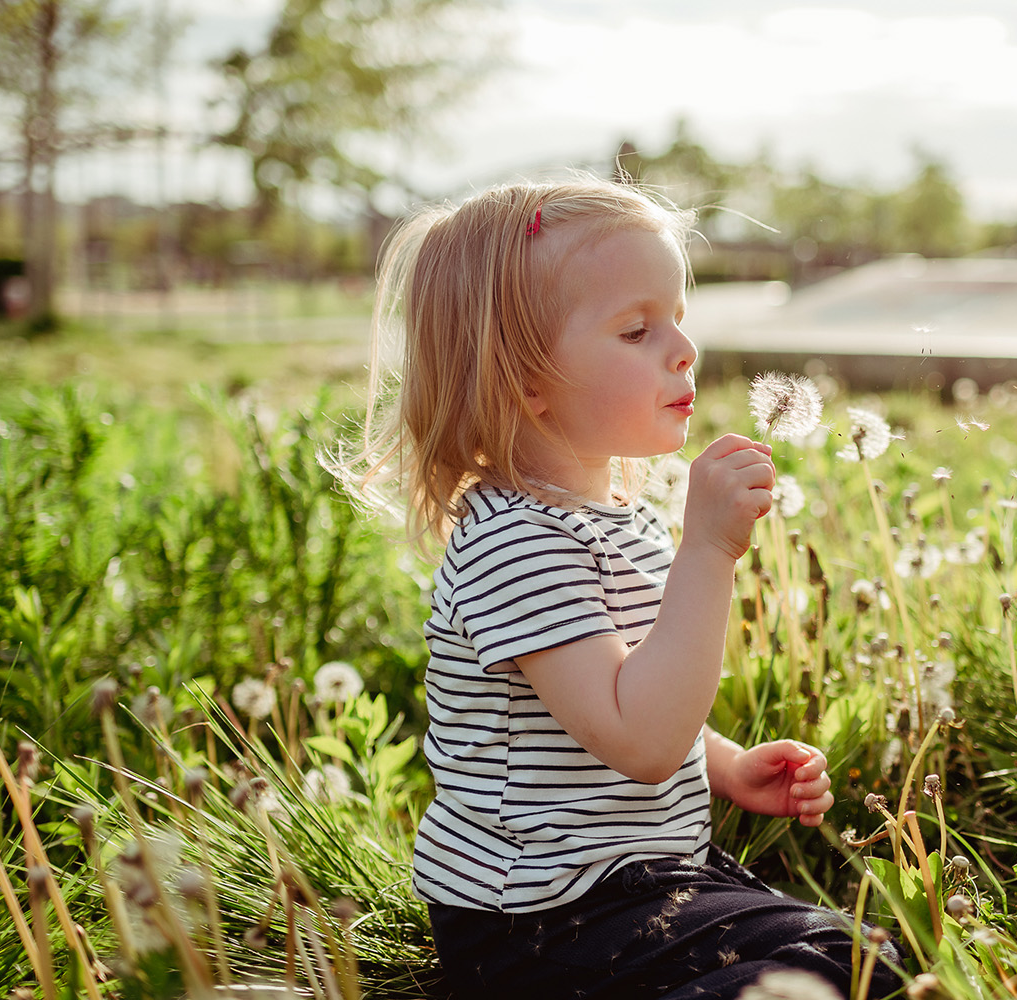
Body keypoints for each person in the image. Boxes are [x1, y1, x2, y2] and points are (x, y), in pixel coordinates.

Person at [344, 177, 902, 1000]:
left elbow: (618, 692)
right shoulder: (514, 543)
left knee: (854, 957)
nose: (682, 348)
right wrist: (707, 553)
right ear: (524, 381)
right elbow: (636, 739)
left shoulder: (612, 516)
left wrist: (725, 766)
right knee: (836, 965)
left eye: (679, 318)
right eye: (638, 329)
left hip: (628, 882)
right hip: (536, 922)